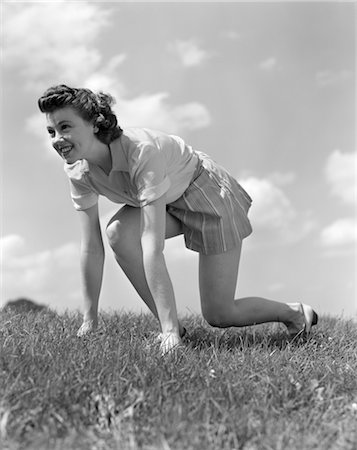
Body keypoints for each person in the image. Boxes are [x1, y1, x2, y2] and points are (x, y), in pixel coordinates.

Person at [38, 84, 318, 354]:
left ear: (95, 124)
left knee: (220, 314)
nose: (56, 139)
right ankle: (171, 328)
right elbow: (90, 247)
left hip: (209, 196)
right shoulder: (77, 171)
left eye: (65, 127)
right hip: (170, 201)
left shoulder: (140, 152)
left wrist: (168, 333)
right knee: (118, 234)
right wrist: (90, 319)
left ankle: (294, 313)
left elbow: (152, 244)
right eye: (51, 131)